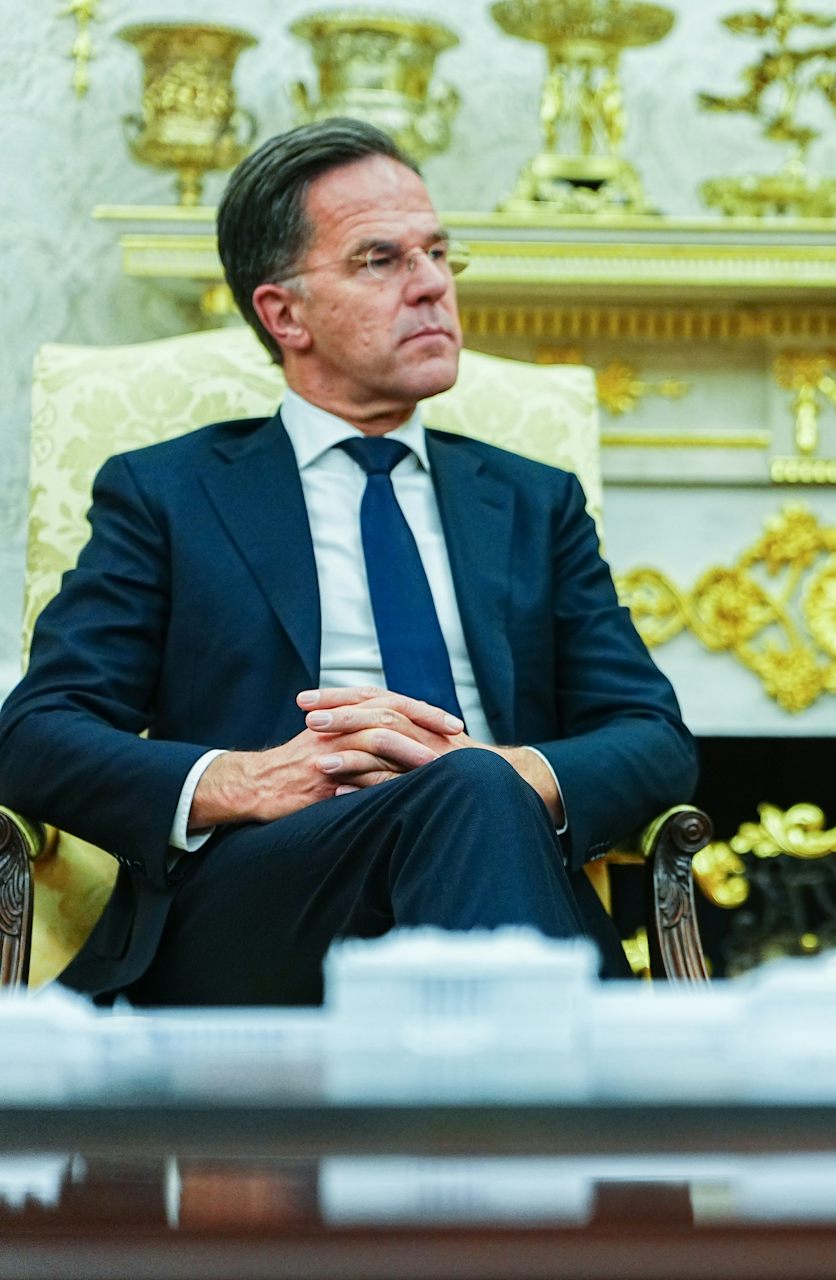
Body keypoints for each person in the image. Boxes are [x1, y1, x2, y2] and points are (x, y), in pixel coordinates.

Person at [0, 119, 695, 1005]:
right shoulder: (167, 493)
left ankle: (490, 1123)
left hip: (496, 854)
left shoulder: (530, 500)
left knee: (472, 789)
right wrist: (243, 779)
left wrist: (510, 772)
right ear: (283, 313)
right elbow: (34, 734)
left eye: (439, 254)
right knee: (469, 795)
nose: (434, 286)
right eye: (381, 260)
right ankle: (556, 1124)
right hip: (263, 900)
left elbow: (653, 736)